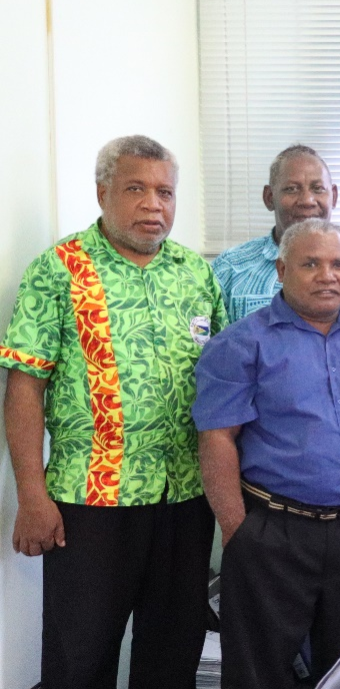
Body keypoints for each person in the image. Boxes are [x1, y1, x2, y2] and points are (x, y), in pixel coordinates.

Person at [0, 135, 224, 688]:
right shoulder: (59, 269)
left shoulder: (195, 273)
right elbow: (24, 388)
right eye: (136, 189)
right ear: (103, 193)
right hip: (91, 499)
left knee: (174, 650)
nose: (154, 204)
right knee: (81, 654)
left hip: (185, 496)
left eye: (165, 192)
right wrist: (31, 494)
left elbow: (225, 382)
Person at [193, 219, 340, 687]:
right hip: (273, 530)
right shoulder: (238, 345)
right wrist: (239, 531)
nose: (327, 275)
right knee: (259, 669)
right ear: (281, 270)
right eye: (311, 263)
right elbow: (217, 439)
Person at [213, 144, 340, 323]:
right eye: (291, 189)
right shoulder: (230, 268)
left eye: (318, 188)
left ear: (334, 196)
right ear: (269, 198)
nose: (307, 201)